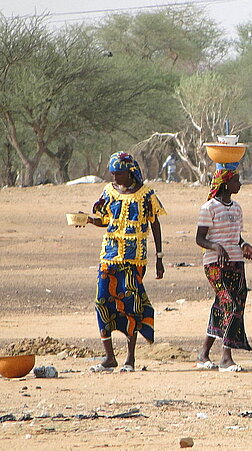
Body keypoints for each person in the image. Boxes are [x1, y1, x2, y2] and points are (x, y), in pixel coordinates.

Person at [85, 151, 166, 373]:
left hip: (134, 259)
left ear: (129, 172)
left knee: (131, 305)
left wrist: (159, 257)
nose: (114, 178)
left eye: (118, 174)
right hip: (109, 256)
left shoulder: (146, 195)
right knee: (102, 302)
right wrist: (90, 220)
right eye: (112, 174)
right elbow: (106, 220)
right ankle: (109, 357)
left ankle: (130, 358)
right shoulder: (109, 192)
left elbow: (155, 224)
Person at [195, 164, 252, 372]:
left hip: (236, 262)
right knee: (230, 305)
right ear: (225, 184)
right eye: (236, 180)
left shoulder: (236, 208)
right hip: (215, 264)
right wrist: (216, 247)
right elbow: (200, 238)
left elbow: (236, 236)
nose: (239, 183)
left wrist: (244, 245)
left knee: (223, 305)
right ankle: (226, 357)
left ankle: (203, 354)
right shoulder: (209, 207)